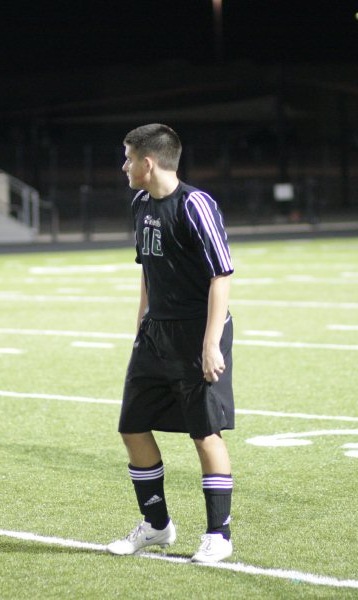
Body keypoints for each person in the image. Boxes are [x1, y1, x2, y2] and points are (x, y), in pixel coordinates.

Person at [107, 124, 236, 564]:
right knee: (132, 426)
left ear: (148, 162)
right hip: (155, 333)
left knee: (205, 433)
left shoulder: (196, 205)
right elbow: (147, 270)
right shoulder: (141, 203)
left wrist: (211, 343)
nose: (123, 166)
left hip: (198, 332)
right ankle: (157, 526)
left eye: (127, 158)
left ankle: (219, 535)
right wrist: (140, 325)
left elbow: (221, 275)